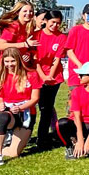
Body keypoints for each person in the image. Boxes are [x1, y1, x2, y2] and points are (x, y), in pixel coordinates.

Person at [0, 47, 42, 167]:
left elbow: (35, 98)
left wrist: (21, 107)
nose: (9, 64)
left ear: (19, 60)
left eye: (12, 61)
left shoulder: (32, 74)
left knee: (14, 154)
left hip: (26, 114)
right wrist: (0, 106)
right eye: (6, 61)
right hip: (9, 113)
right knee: (2, 117)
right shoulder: (1, 78)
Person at [33, 9, 66, 152]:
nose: (55, 26)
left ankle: (43, 139)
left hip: (54, 78)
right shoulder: (37, 35)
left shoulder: (61, 37)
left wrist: (50, 76)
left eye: (58, 23)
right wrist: (42, 76)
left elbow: (57, 58)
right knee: (35, 107)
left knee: (47, 109)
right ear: (45, 21)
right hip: (37, 75)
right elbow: (36, 59)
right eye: (53, 22)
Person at [0, 0, 39, 73]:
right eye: (25, 11)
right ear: (17, 12)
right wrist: (24, 44)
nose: (28, 13)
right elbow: (0, 46)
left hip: (20, 65)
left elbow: (27, 48)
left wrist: (27, 54)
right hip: (8, 66)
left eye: (31, 11)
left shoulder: (29, 27)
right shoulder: (14, 26)